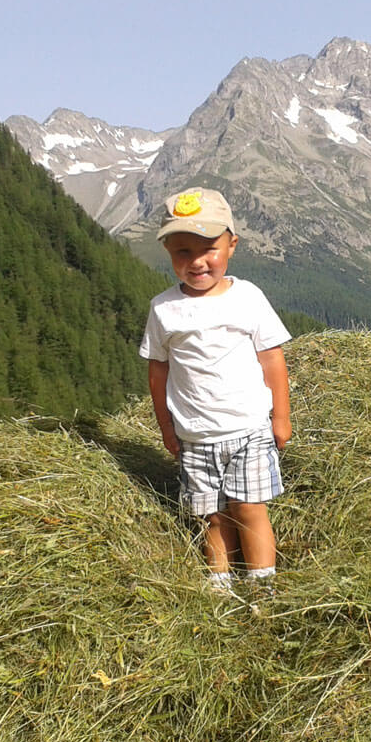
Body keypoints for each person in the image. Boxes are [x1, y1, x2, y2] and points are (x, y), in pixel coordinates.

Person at [139, 187, 291, 593]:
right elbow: (158, 371)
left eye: (209, 248)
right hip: (196, 435)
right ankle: (220, 583)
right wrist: (167, 429)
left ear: (232, 244)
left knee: (249, 507)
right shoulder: (163, 308)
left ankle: (262, 585)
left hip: (249, 429)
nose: (197, 262)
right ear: (169, 253)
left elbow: (272, 358)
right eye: (182, 252)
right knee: (213, 516)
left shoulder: (248, 297)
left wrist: (281, 417)